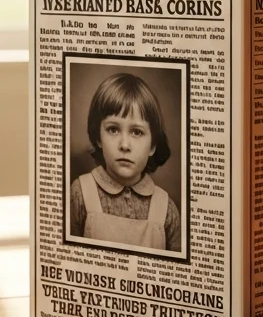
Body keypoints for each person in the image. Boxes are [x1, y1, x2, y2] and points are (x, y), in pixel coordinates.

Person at [70, 72, 181, 252]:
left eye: (136, 132)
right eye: (113, 129)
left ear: (153, 146)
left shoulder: (167, 209)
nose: (124, 145)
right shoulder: (79, 194)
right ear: (98, 137)